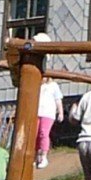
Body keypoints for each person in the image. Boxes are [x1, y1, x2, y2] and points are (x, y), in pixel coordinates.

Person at [33, 31, 62, 170]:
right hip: (37, 111)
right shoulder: (38, 85)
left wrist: (60, 112)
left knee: (44, 133)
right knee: (34, 133)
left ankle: (43, 155)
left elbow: (58, 99)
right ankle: (34, 155)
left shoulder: (52, 85)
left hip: (47, 112)